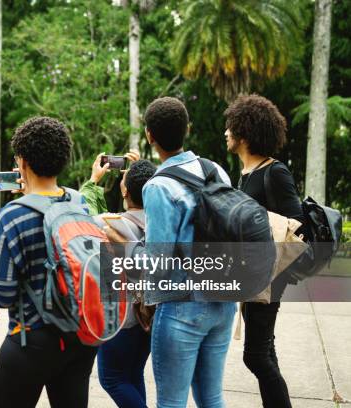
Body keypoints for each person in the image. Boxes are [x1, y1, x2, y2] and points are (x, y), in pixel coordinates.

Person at [106, 97, 236, 408]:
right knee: (211, 398)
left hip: (182, 309)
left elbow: (158, 263)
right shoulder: (215, 169)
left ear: (149, 135)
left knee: (171, 403)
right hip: (223, 300)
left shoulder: (158, 185)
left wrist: (124, 246)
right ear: (187, 129)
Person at [0, 117, 98, 408]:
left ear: (22, 162)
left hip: (32, 341)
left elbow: (4, 294)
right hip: (79, 336)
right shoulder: (78, 201)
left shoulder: (12, 215)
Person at [225, 94, 306, 408]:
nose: (226, 133)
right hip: (253, 271)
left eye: (231, 128)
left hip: (270, 274)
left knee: (255, 356)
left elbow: (298, 225)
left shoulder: (276, 172)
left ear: (244, 134)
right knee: (264, 352)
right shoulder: (246, 175)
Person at [81, 154, 157, 408]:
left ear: (125, 191)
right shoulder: (162, 225)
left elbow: (80, 215)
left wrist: (94, 180)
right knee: (133, 374)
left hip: (119, 320)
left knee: (112, 378)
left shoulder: (109, 223)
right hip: (149, 316)